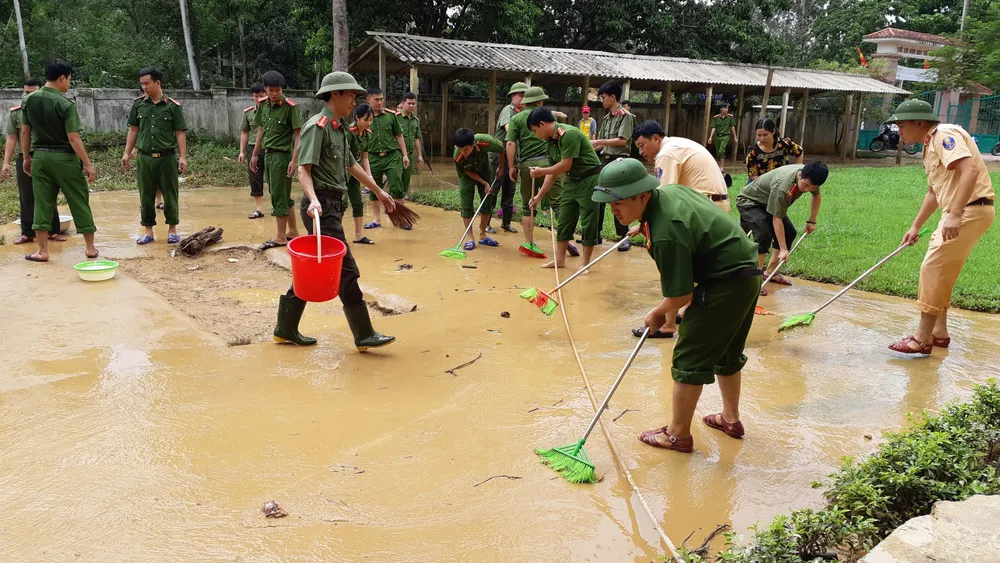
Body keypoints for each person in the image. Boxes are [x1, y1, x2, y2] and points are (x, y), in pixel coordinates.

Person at [593, 158, 760, 453]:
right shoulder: (670, 192)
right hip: (747, 275)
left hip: (722, 283)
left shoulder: (666, 231)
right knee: (727, 352)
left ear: (642, 195)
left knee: (687, 359)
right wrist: (643, 225)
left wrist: (658, 313)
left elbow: (681, 294)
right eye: (609, 204)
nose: (613, 210)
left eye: (618, 202)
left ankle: (677, 435)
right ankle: (730, 419)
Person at [273, 71, 397, 351]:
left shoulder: (339, 128)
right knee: (346, 269)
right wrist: (313, 200)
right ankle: (363, 334)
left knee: (317, 269)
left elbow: (352, 166)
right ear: (335, 95)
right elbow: (303, 170)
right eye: (351, 95)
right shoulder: (317, 127)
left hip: (333, 205)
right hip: (320, 208)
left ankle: (285, 328)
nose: (354, 101)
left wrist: (378, 191)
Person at [884, 100, 995, 355]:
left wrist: (955, 214)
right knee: (941, 271)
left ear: (919, 123)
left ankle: (922, 339)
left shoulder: (944, 135)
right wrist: (915, 226)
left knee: (932, 268)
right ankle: (939, 333)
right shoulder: (929, 145)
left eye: (902, 126)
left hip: (968, 209)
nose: (899, 132)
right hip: (961, 210)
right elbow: (933, 192)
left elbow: (970, 170)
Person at [629, 119, 732, 338]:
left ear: (656, 138)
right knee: (693, 267)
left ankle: (667, 324)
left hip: (702, 209)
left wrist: (645, 223)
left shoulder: (666, 154)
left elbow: (663, 196)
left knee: (674, 263)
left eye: (642, 146)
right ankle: (684, 310)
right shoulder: (676, 145)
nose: (641, 152)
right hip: (713, 206)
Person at [20, 60, 99, 262]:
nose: (69, 84)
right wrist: (88, 165)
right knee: (78, 200)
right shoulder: (65, 104)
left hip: (40, 158)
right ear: (62, 78)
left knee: (42, 203)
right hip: (65, 159)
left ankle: (42, 251)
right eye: (69, 79)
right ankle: (90, 248)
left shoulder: (29, 100)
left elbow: (25, 132)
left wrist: (26, 157)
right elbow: (74, 137)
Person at [735, 162, 827, 296]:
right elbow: (776, 219)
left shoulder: (811, 177)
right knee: (763, 235)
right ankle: (755, 279)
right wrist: (783, 249)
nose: (807, 189)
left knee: (789, 233)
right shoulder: (783, 186)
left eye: (812, 187)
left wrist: (812, 220)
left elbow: (816, 195)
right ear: (800, 175)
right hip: (750, 202)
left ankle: (769, 273)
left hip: (769, 203)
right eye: (806, 185)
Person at [528, 108, 602, 270]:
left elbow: (565, 165)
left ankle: (585, 264)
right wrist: (539, 196)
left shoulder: (568, 134)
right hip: (572, 180)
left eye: (535, 130)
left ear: (542, 124)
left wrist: (541, 171)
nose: (536, 135)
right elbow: (552, 172)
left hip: (589, 179)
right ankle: (559, 260)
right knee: (564, 219)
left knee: (588, 221)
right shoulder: (550, 143)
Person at [121, 67, 188, 245]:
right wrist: (127, 152)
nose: (144, 87)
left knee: (170, 194)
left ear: (158, 83)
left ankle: (172, 230)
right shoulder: (139, 105)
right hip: (145, 158)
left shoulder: (172, 106)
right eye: (142, 84)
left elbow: (180, 133)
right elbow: (133, 129)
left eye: (147, 83)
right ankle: (148, 232)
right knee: (146, 195)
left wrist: (182, 157)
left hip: (166, 158)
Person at [505, 86, 573, 257]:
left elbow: (510, 143)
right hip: (550, 163)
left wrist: (511, 166)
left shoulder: (516, 118)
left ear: (526, 102)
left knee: (528, 205)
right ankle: (566, 239)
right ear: (540, 101)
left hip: (528, 165)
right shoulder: (548, 117)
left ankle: (529, 242)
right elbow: (561, 123)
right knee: (558, 203)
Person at [3, 78, 64, 245]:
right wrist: (6, 162)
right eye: (26, 92)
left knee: (48, 192)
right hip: (24, 156)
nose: (28, 96)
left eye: (33, 93)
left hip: (44, 155)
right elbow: (11, 137)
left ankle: (53, 230)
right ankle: (27, 232)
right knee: (26, 194)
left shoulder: (49, 110)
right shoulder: (16, 112)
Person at [250, 70, 302, 249]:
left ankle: (280, 237)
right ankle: (293, 232)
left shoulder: (290, 107)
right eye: (271, 90)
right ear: (265, 89)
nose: (274, 94)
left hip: (282, 156)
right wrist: (255, 154)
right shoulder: (263, 105)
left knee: (279, 197)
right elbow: (260, 130)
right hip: (268, 155)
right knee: (281, 195)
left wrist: (294, 160)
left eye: (278, 90)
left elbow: (298, 135)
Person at [591, 81, 636, 251]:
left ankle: (624, 237)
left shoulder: (625, 116)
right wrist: (588, 148)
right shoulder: (607, 118)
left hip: (619, 161)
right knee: (599, 197)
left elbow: (622, 141)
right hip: (605, 161)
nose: (602, 101)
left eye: (603, 97)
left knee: (619, 199)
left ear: (612, 97)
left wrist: (599, 141)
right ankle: (595, 235)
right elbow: (600, 145)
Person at [363, 87, 410, 230]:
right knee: (374, 189)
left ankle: (402, 220)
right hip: (373, 158)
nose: (379, 102)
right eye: (376, 99)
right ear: (368, 99)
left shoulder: (391, 116)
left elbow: (399, 135)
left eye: (381, 99)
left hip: (392, 156)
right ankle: (377, 220)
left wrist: (405, 155)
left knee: (397, 187)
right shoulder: (363, 117)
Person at [453, 128, 503, 250]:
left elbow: (501, 148)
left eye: (466, 150)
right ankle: (470, 238)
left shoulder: (485, 141)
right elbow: (467, 172)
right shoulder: (458, 155)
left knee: (487, 201)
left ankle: (483, 235)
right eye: (460, 149)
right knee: (466, 204)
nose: (463, 153)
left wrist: (500, 167)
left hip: (484, 170)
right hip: (467, 175)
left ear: (473, 144)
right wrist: (484, 183)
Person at [488, 82, 528, 234]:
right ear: (513, 96)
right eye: (521, 95)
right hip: (499, 157)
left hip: (513, 157)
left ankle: (506, 223)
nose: (523, 99)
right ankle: (486, 223)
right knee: (493, 189)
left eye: (525, 96)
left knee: (510, 190)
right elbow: (509, 130)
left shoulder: (522, 113)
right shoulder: (508, 111)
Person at [347, 103, 376, 245]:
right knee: (339, 204)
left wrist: (369, 177)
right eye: (366, 120)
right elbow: (345, 158)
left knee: (358, 203)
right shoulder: (349, 132)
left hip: (356, 173)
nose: (369, 123)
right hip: (343, 172)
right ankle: (336, 237)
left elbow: (364, 157)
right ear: (357, 118)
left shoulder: (367, 134)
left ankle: (359, 236)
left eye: (371, 120)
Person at [240, 83, 268, 219]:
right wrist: (241, 151)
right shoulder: (248, 112)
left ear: (267, 95)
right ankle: (259, 209)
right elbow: (245, 132)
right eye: (256, 96)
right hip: (253, 148)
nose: (259, 99)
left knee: (274, 178)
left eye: (261, 96)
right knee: (255, 178)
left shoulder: (273, 111)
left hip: (270, 147)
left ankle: (277, 206)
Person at [398, 92, 424, 197]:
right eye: (409, 103)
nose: (411, 105)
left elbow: (416, 139)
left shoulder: (415, 121)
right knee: (396, 178)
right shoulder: (396, 118)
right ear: (403, 103)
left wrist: (419, 155)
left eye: (413, 103)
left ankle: (401, 198)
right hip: (396, 154)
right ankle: (394, 197)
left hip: (409, 154)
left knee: (406, 178)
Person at [708, 102, 737, 175]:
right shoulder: (716, 118)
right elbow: (714, 127)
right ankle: (719, 166)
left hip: (726, 136)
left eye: (727, 108)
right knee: (718, 152)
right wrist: (710, 137)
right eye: (725, 108)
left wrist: (735, 137)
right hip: (718, 136)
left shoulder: (730, 117)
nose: (726, 109)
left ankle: (721, 167)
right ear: (721, 109)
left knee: (721, 150)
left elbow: (732, 127)